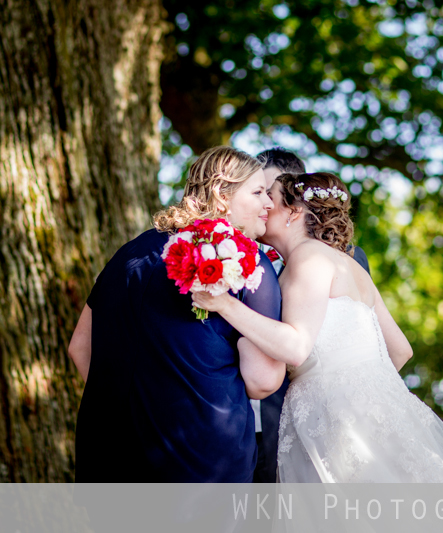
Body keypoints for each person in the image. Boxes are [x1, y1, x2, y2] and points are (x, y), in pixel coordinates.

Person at [191, 171, 443, 483]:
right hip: (381, 415)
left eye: (271, 195)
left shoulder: (307, 258)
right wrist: (367, 394)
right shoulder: (346, 263)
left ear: (295, 212)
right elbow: (401, 350)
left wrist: (224, 305)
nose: (266, 204)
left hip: (335, 425)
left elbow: (296, 347)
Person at [68, 146, 285, 482]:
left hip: (109, 455)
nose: (268, 204)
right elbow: (263, 381)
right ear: (220, 194)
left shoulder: (129, 253)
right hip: (201, 459)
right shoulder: (247, 261)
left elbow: (80, 348)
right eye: (258, 192)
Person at [251, 147, 371, 483]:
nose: (262, 202)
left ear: (294, 203)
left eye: (269, 192)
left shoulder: (337, 258)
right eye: (256, 192)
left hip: (327, 425)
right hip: (255, 428)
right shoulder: (239, 254)